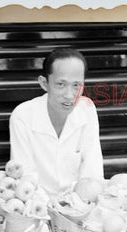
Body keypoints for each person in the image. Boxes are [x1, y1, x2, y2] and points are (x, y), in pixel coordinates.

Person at [9, 48, 104, 197]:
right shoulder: (22, 116)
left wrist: (76, 205)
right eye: (61, 84)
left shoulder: (87, 109)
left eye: (76, 85)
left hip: (78, 203)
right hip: (36, 204)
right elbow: (24, 175)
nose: (69, 95)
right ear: (44, 83)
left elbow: (93, 170)